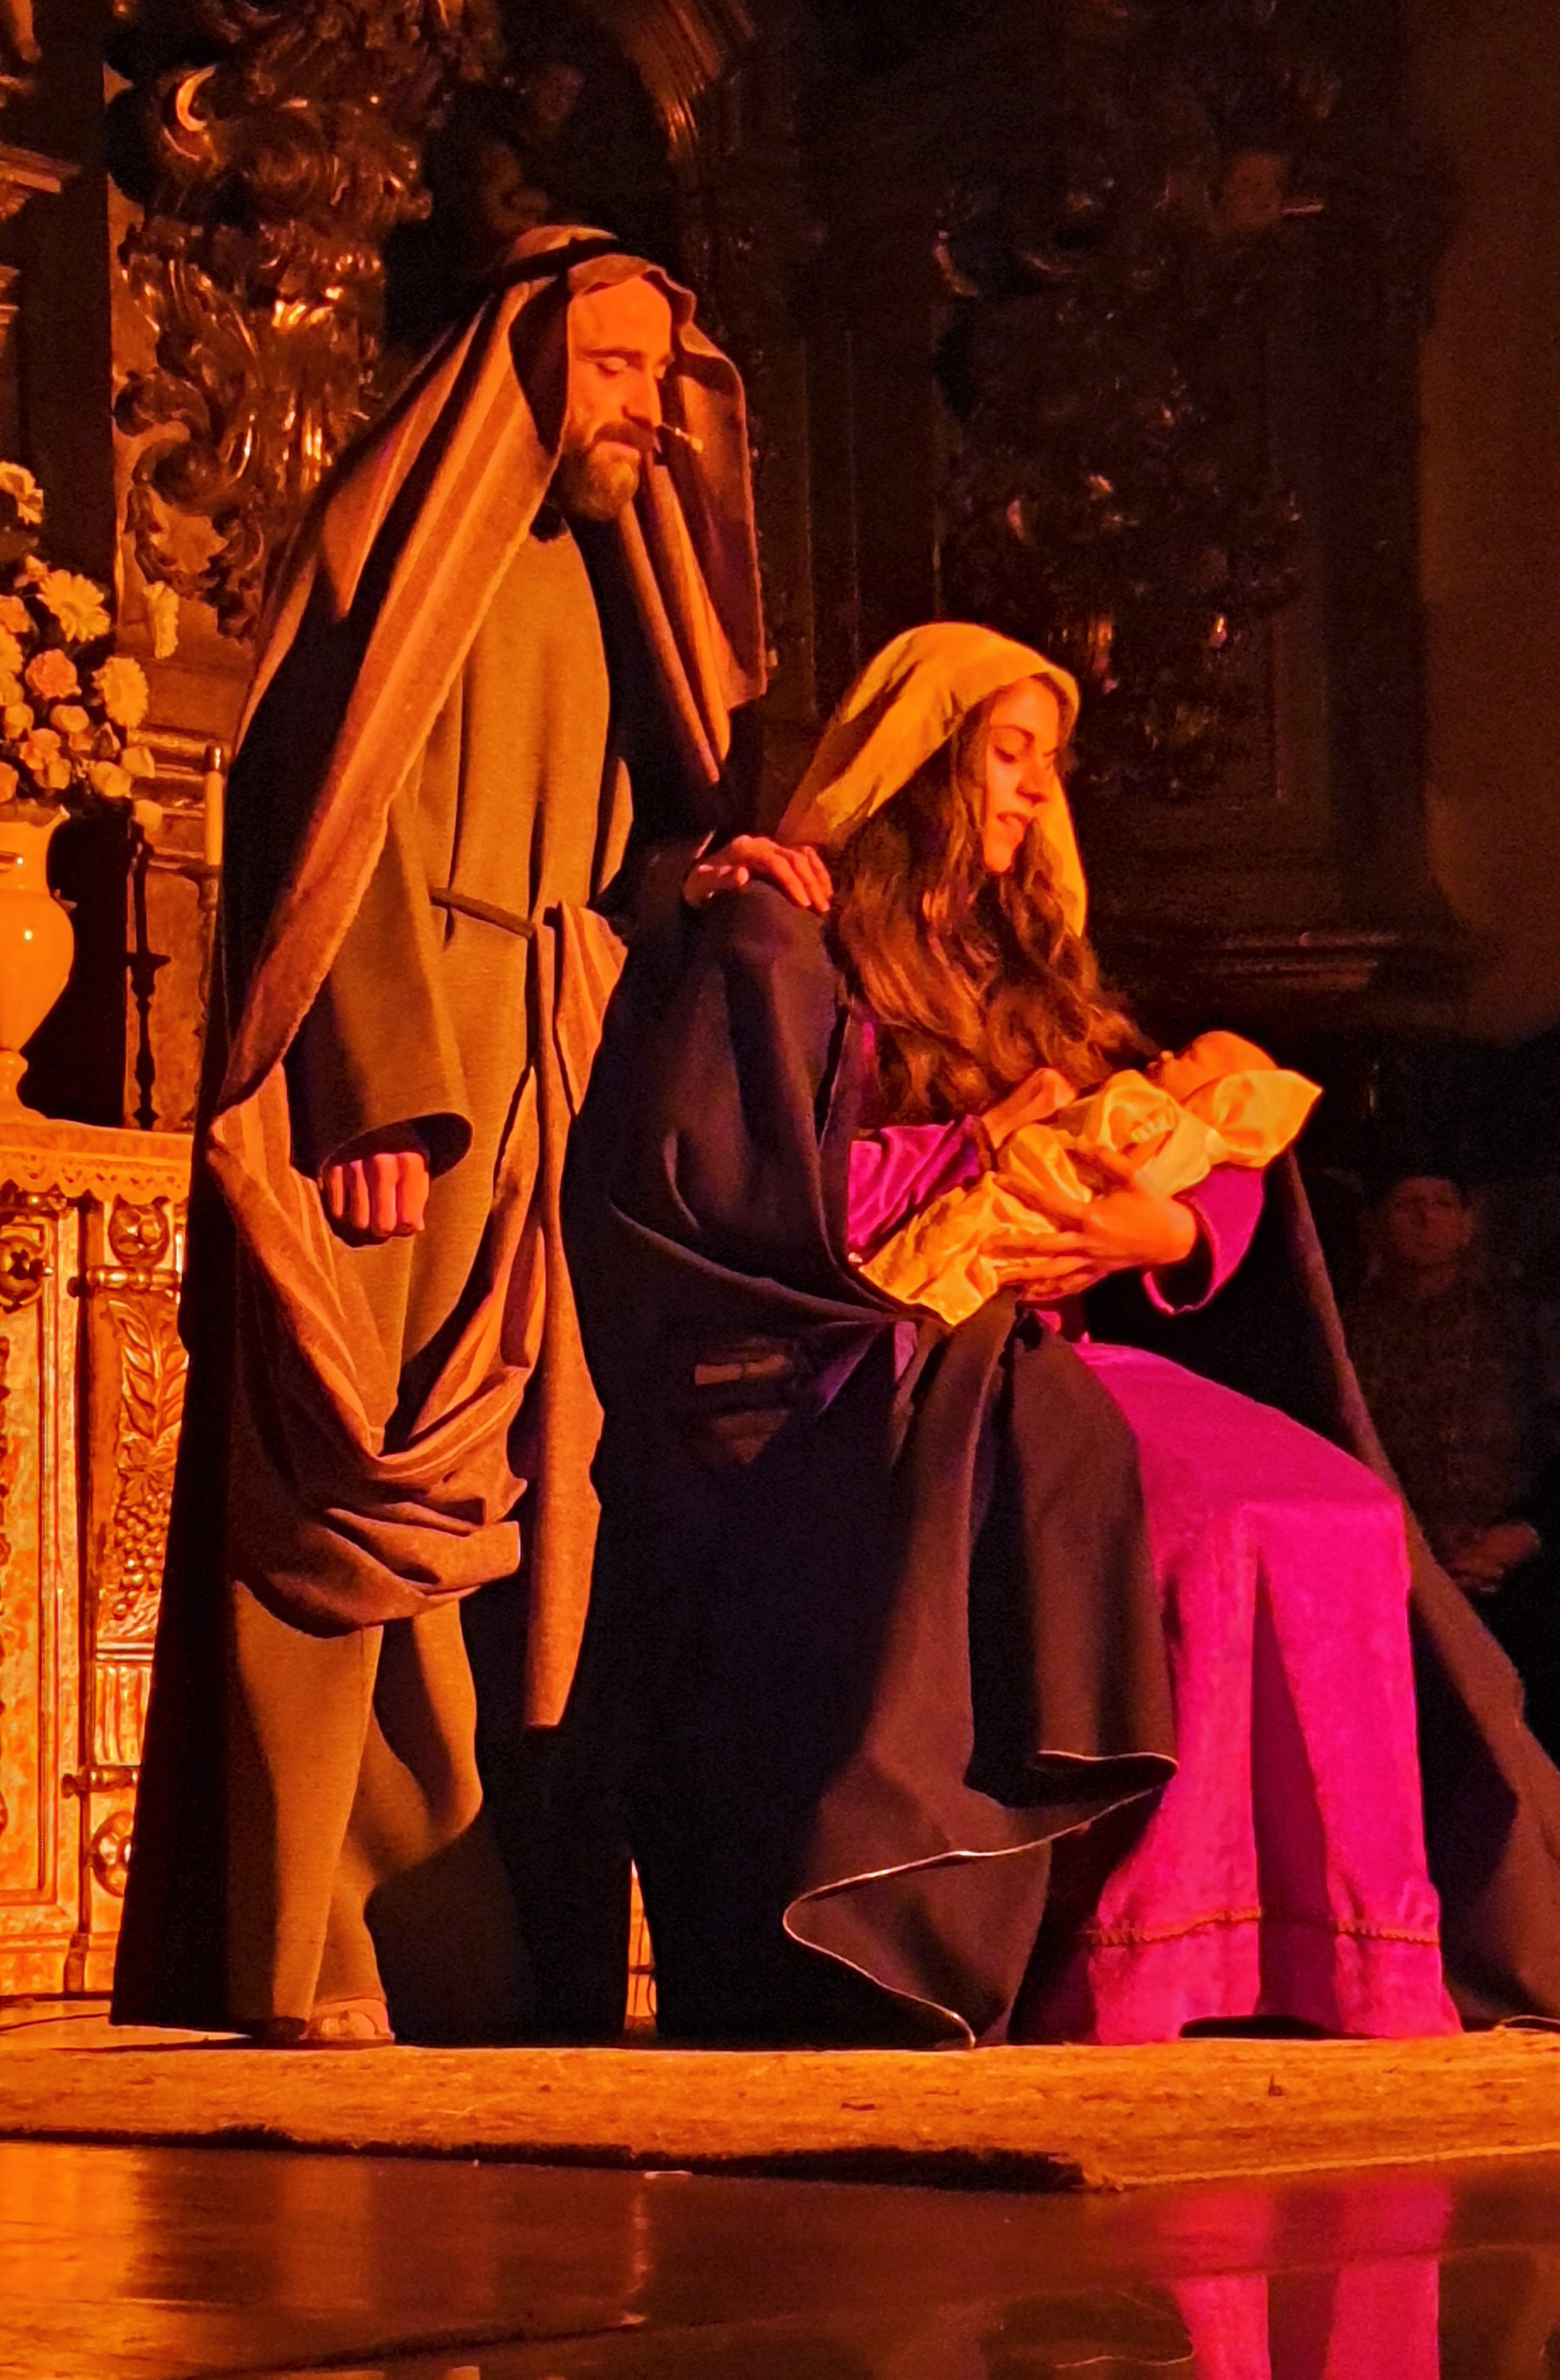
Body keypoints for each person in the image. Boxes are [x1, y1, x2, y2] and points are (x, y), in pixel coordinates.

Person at [565, 620, 1560, 2045]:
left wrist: (1164, 1231)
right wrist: (987, 1153)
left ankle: (1314, 1957)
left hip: (1064, 1353)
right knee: (1194, 1535)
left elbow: (1177, 1134)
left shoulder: (1023, 962)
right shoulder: (796, 939)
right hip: (898, 1366)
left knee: (1329, 1515)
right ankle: (1135, 1955)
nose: (1038, 789)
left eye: (1049, 760)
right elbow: (750, 1179)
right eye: (1008, 754)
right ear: (919, 764)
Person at [112, 222, 819, 2047]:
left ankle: (486, 1948)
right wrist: (376, 1091)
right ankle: (322, 1940)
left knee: (526, 1509)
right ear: (521, 366)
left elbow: (611, 844)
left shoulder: (603, 577)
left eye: (658, 379)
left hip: (554, 1065)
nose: (644, 412)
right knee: (365, 1490)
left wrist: (694, 874)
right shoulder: (396, 548)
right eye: (612, 371)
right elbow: (326, 817)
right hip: (408, 1076)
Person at [1347, 1171, 1560, 1755]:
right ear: (1374, 1224)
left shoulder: (1524, 1326)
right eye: (1407, 1204)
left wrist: (1523, 1535)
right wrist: (1415, 1544)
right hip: (1397, 1565)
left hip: (1522, 1562)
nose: (1426, 1218)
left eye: (1442, 1203)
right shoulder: (1343, 1333)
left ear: (1468, 1224)